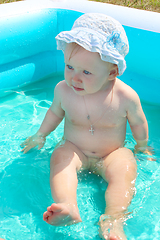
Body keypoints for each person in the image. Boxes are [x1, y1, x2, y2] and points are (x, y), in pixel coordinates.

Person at [21, 13, 150, 240]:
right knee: (60, 156)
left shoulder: (125, 96)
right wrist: (40, 134)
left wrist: (142, 146)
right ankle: (68, 205)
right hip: (75, 149)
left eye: (86, 72)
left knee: (126, 166)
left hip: (111, 154)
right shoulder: (63, 90)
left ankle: (113, 220)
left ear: (112, 73)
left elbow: (139, 122)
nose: (75, 78)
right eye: (70, 67)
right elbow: (54, 113)